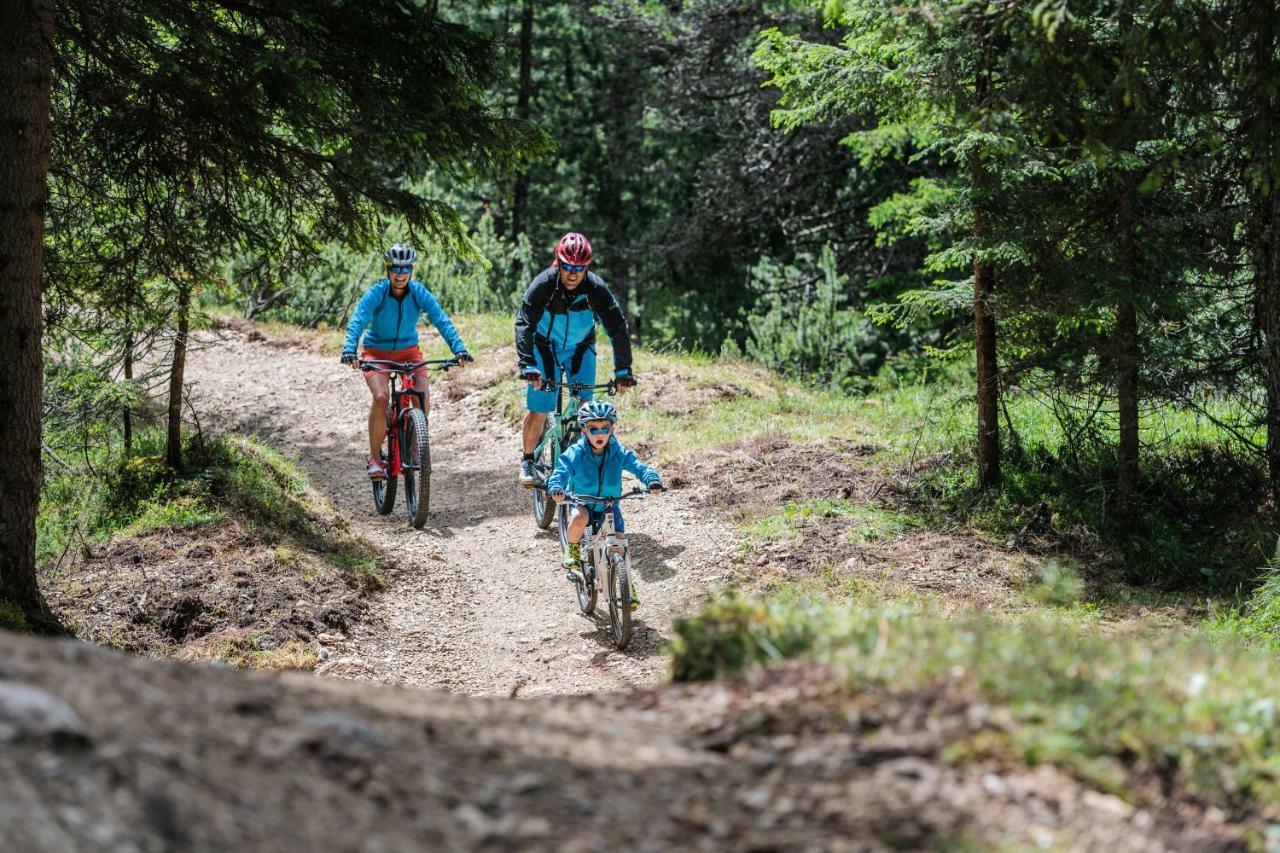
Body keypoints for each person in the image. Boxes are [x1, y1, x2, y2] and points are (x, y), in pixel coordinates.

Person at [341, 243, 472, 480]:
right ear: (388, 270)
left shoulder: (418, 292)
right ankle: (375, 459)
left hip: (408, 353)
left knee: (422, 396)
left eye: (405, 269)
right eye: (395, 269)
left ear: (411, 270)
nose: (400, 274)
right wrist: (350, 349)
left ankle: (414, 445)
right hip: (376, 353)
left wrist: (459, 349)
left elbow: (441, 319)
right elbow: (358, 321)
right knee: (381, 397)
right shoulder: (377, 293)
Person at [514, 232, 634, 487]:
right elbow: (524, 323)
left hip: (580, 348)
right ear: (558, 263)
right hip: (544, 347)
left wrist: (623, 369)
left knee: (585, 411)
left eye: (579, 268)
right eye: (567, 267)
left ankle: (580, 463)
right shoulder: (544, 284)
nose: (572, 273)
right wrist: (527, 363)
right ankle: (527, 460)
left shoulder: (596, 288)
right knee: (540, 408)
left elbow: (617, 327)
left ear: (586, 268)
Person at [546, 400, 663, 610]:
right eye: (593, 429)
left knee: (619, 545)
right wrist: (556, 487)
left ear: (612, 429)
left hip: (609, 506)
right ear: (584, 429)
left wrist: (651, 479)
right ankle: (572, 548)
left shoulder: (617, 451)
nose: (599, 434)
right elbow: (561, 471)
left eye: (604, 428)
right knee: (579, 518)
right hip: (584, 502)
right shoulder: (576, 452)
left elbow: (638, 466)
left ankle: (626, 585)